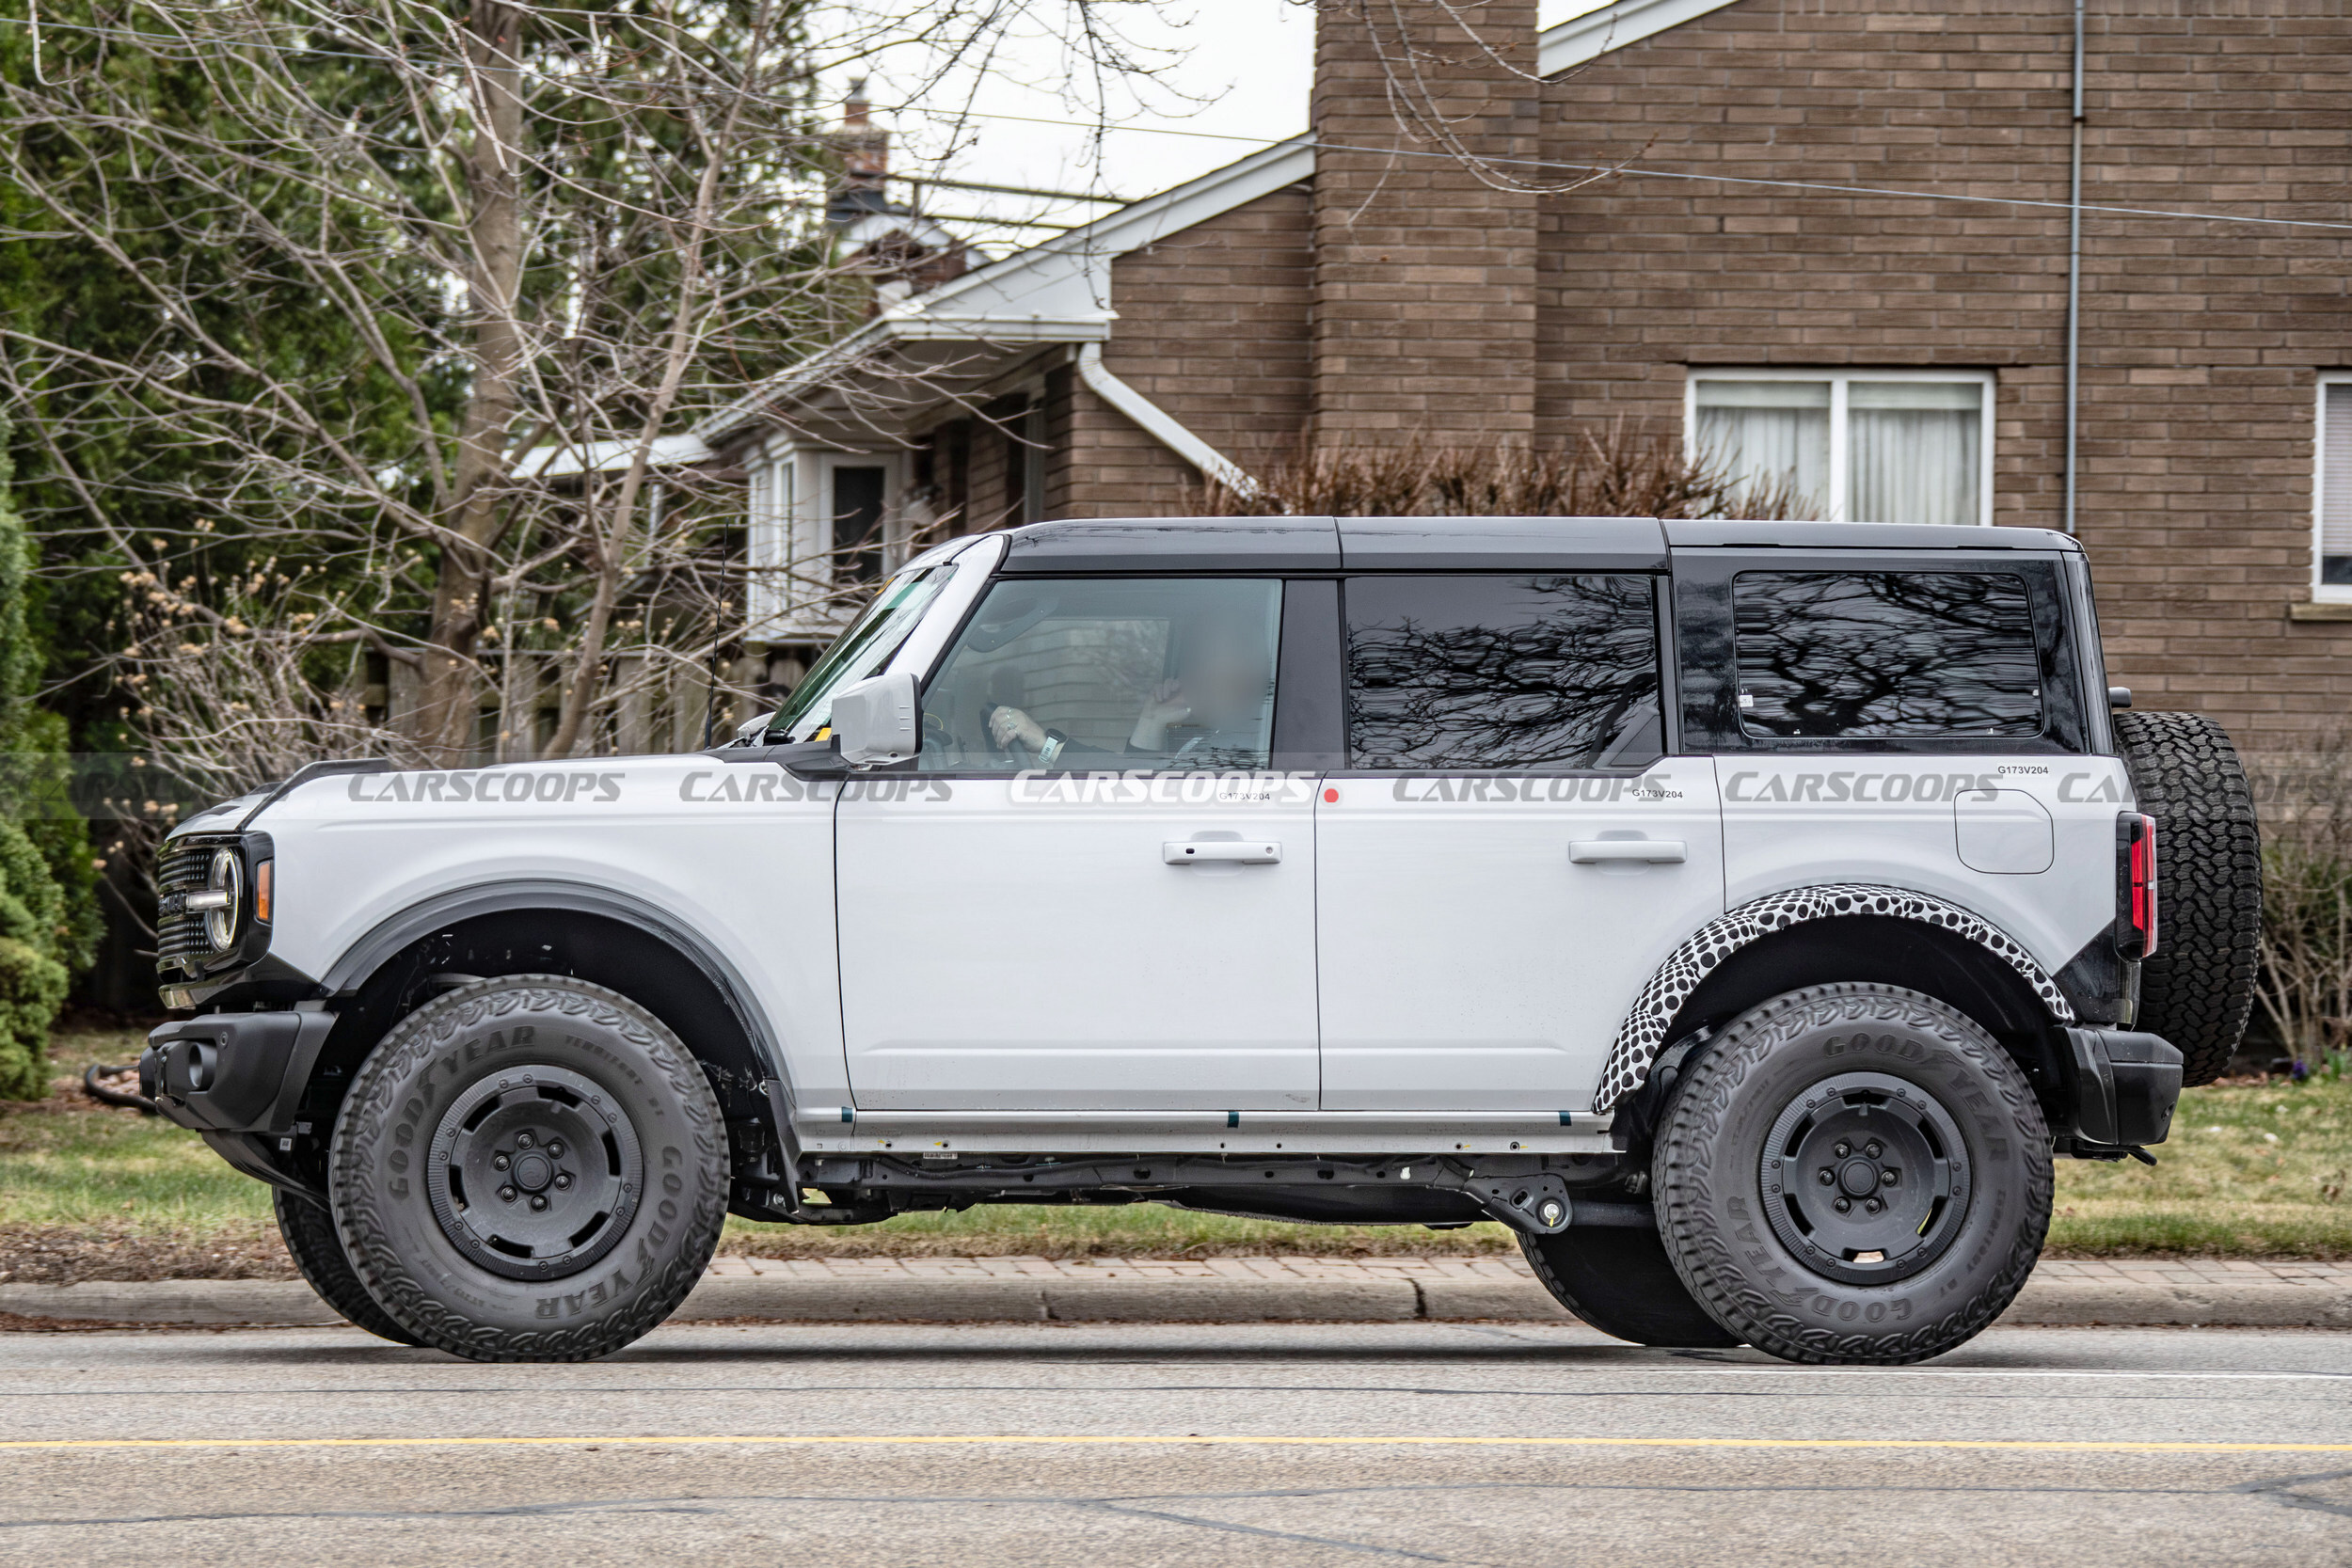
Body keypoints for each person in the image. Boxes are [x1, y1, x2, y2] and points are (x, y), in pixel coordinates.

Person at [986, 626, 1274, 766]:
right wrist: (1152, 720)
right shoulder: (1213, 737)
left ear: (1247, 669)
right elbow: (1140, 777)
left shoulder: (1245, 743)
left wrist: (1046, 744)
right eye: (1191, 660)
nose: (1188, 675)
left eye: (1204, 659)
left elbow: (1126, 786)